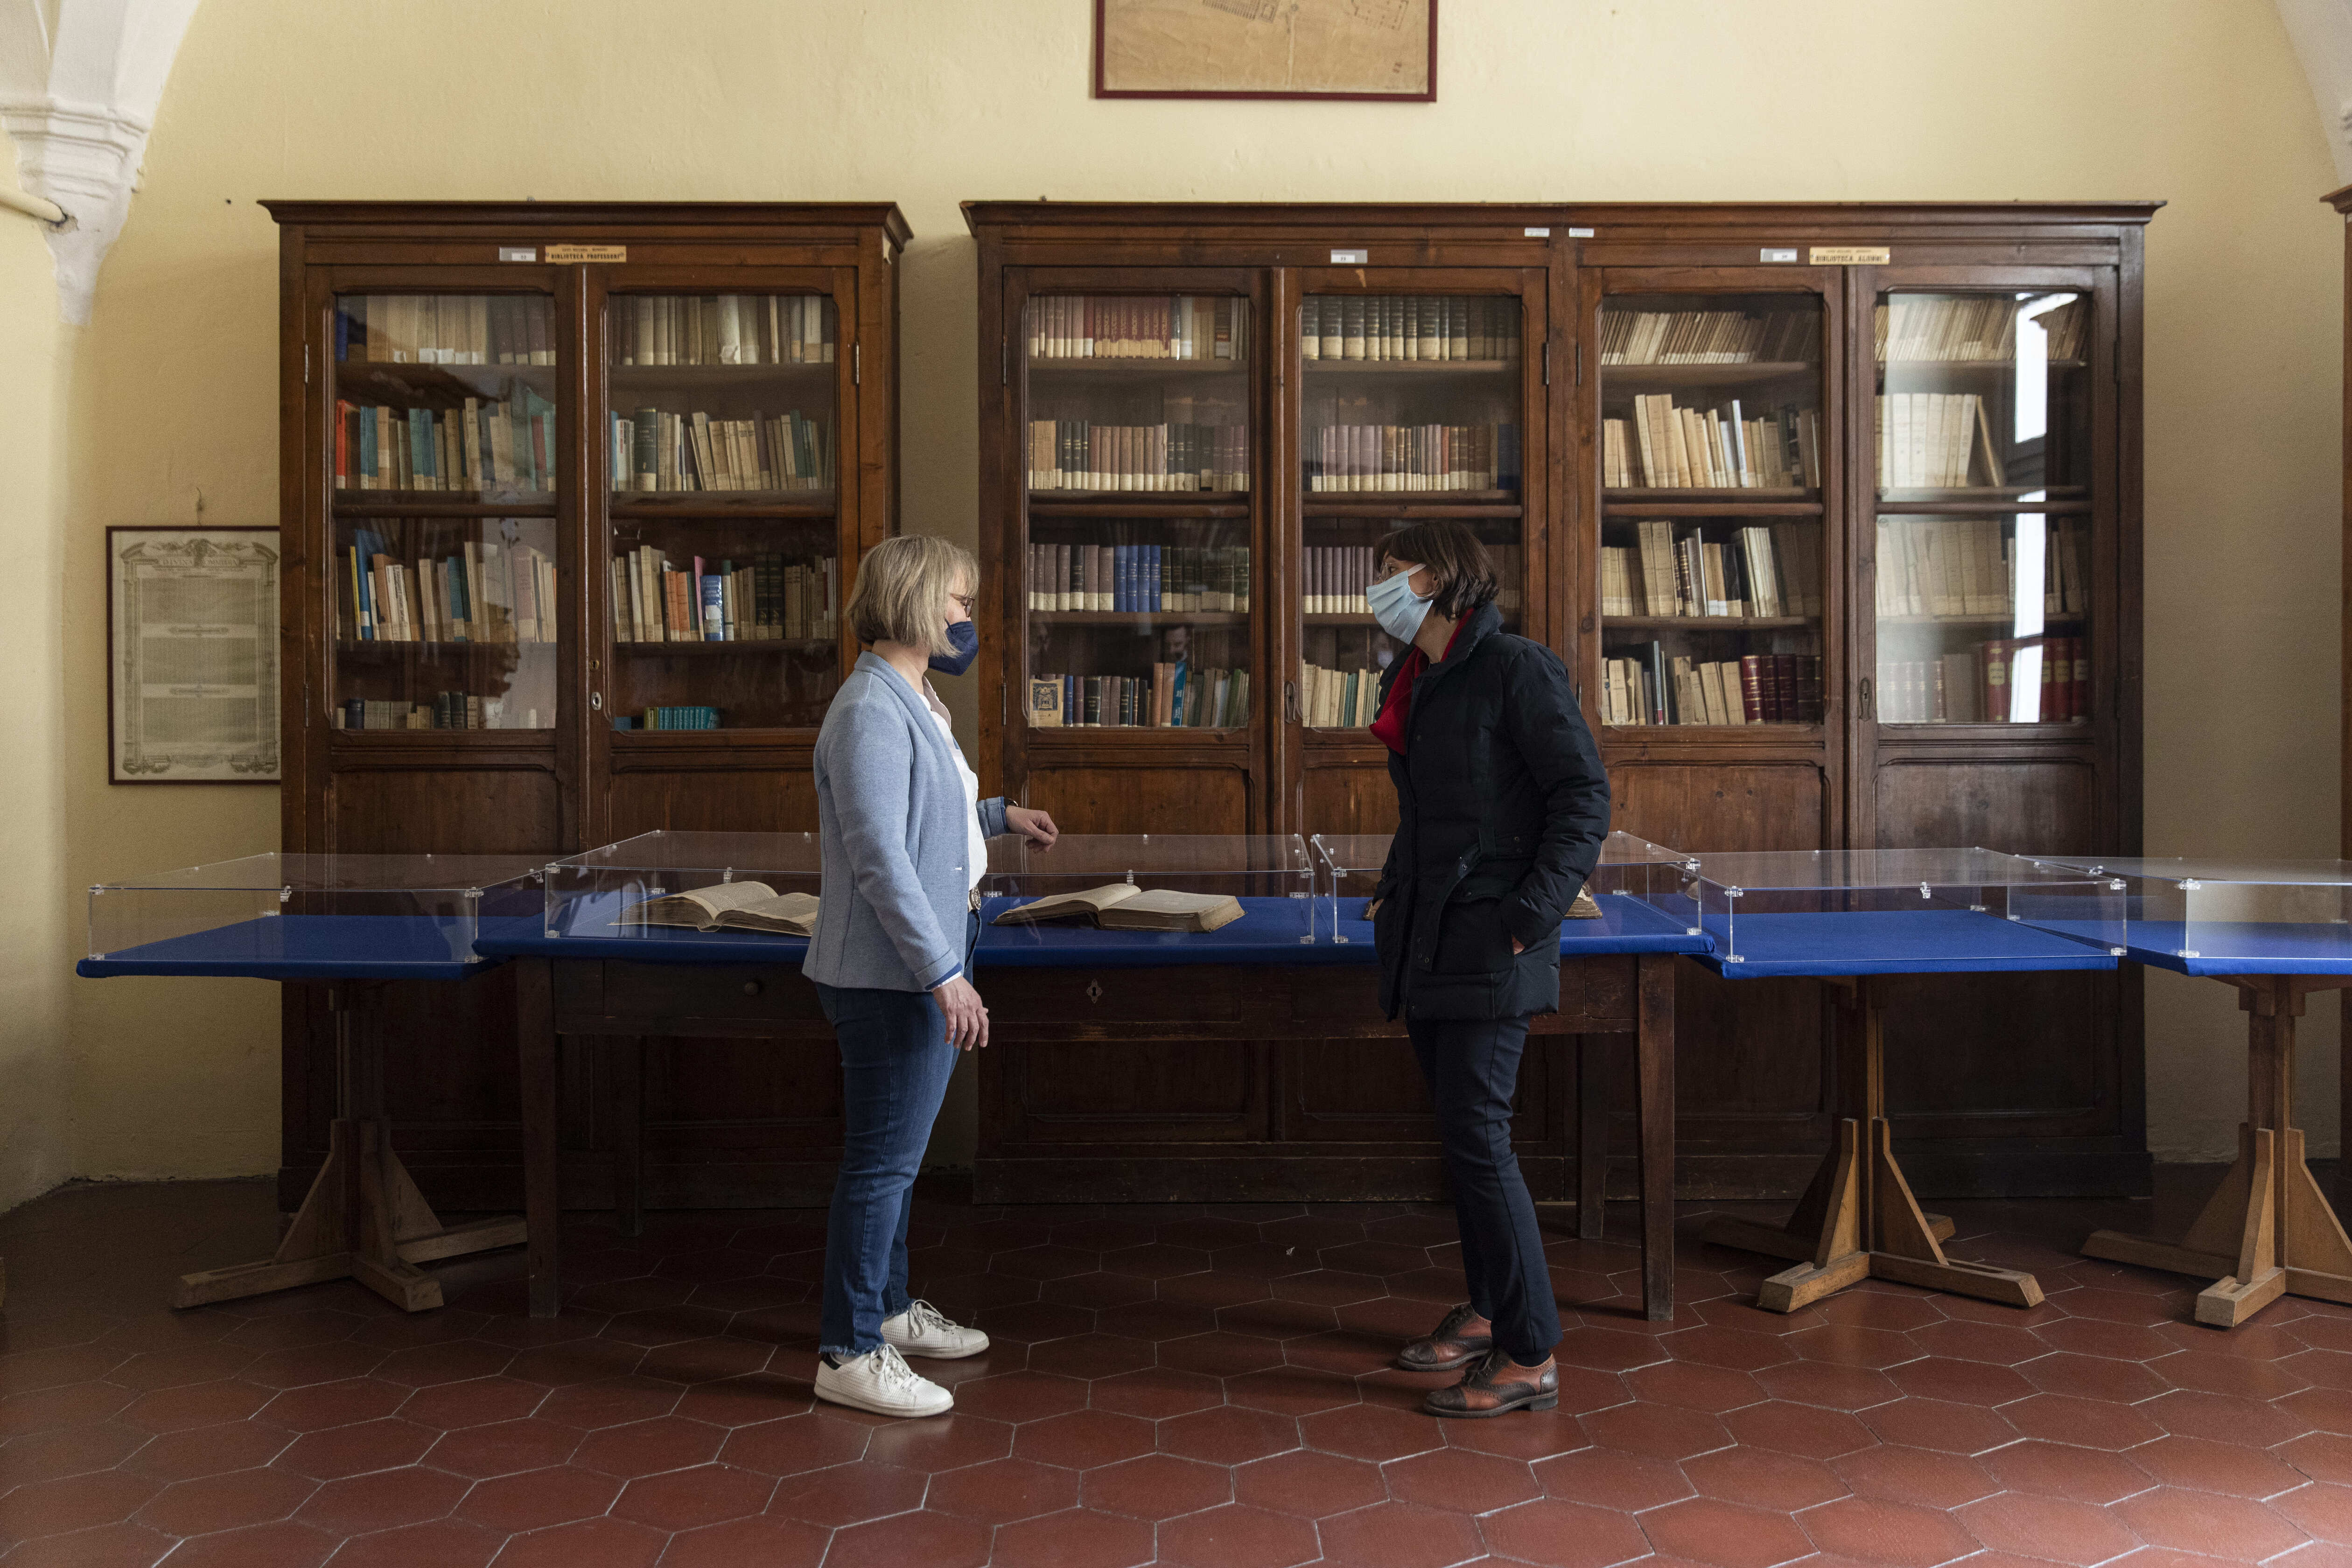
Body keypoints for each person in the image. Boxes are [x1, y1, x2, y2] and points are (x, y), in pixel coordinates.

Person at [804, 534, 1058, 1418]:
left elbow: (925, 811)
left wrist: (997, 815)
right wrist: (945, 973)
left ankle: (888, 1311)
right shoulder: (869, 707)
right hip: (888, 976)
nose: (966, 617)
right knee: (881, 1165)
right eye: (956, 600)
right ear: (912, 601)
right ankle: (848, 1349)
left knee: (899, 1162)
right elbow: (879, 857)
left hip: (913, 966)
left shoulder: (915, 697)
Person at [1364, 520, 1610, 1418]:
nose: (1380, 589)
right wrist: (1396, 888)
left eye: (1392, 573)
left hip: (1491, 941)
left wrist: (1529, 918)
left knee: (1482, 1137)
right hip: (1429, 937)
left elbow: (1583, 798)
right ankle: (1487, 1309)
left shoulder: (1517, 667)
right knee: (1463, 1142)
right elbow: (1431, 814)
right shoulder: (1418, 675)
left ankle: (1531, 1350)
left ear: (1440, 578)